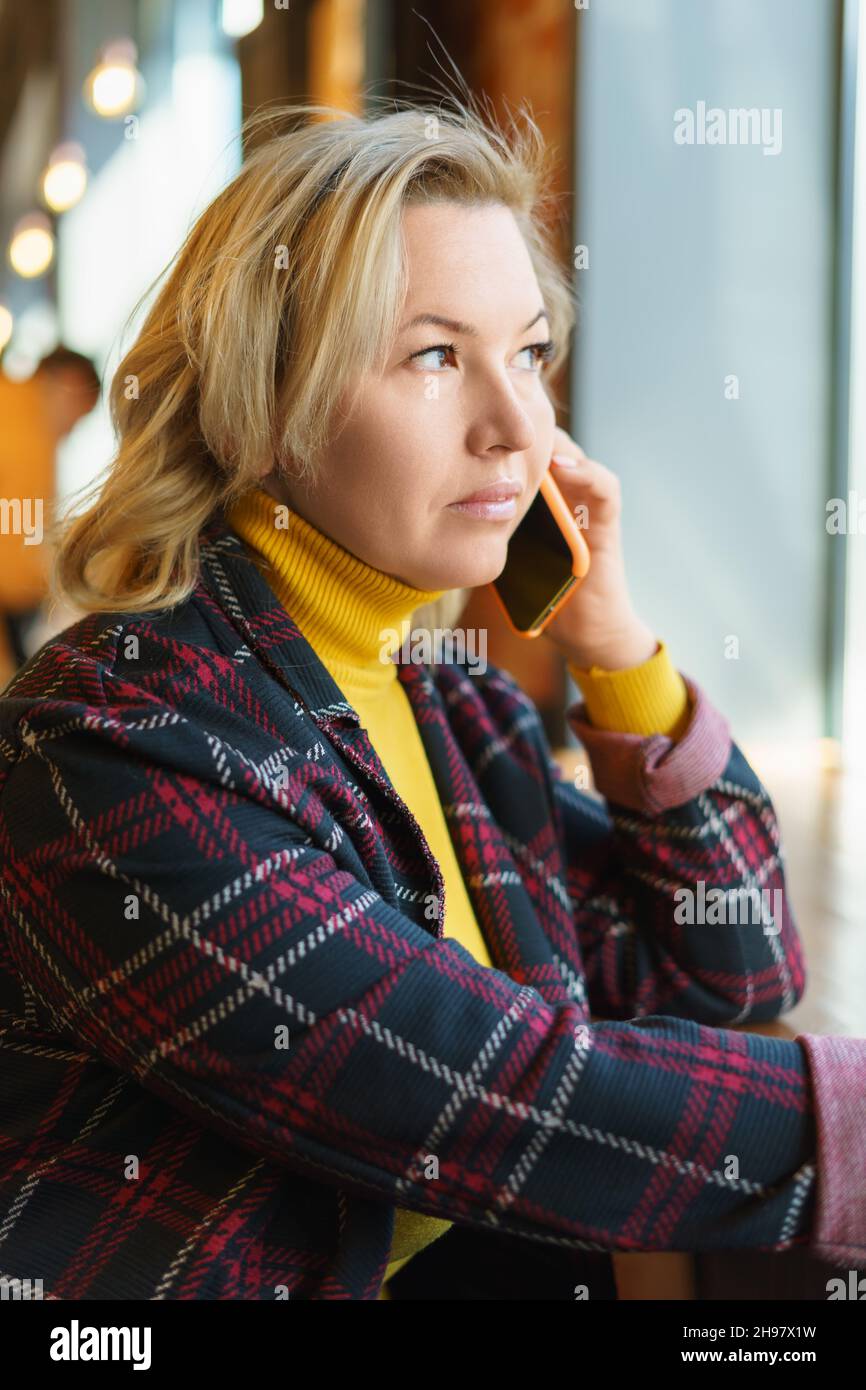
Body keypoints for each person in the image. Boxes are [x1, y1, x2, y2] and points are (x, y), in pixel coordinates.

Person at [0, 97, 863, 1302]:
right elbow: (486, 1096)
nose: (516, 427)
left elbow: (732, 968)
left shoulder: (464, 720)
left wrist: (616, 646)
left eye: (526, 354)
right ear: (264, 411)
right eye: (433, 355)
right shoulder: (110, 740)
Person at [0, 346, 100, 686]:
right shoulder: (27, 430)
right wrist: (53, 595)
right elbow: (15, 567)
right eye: (79, 417)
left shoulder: (11, 399)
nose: (70, 433)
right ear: (69, 386)